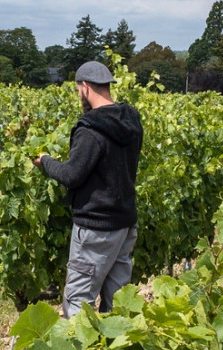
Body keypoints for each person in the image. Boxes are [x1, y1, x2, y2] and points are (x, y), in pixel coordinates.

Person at [35, 61, 143, 320]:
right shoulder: (132, 121)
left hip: (96, 229)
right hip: (125, 225)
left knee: (78, 306)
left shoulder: (91, 129)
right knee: (118, 306)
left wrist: (45, 161)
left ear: (85, 87)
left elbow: (72, 175)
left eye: (77, 91)